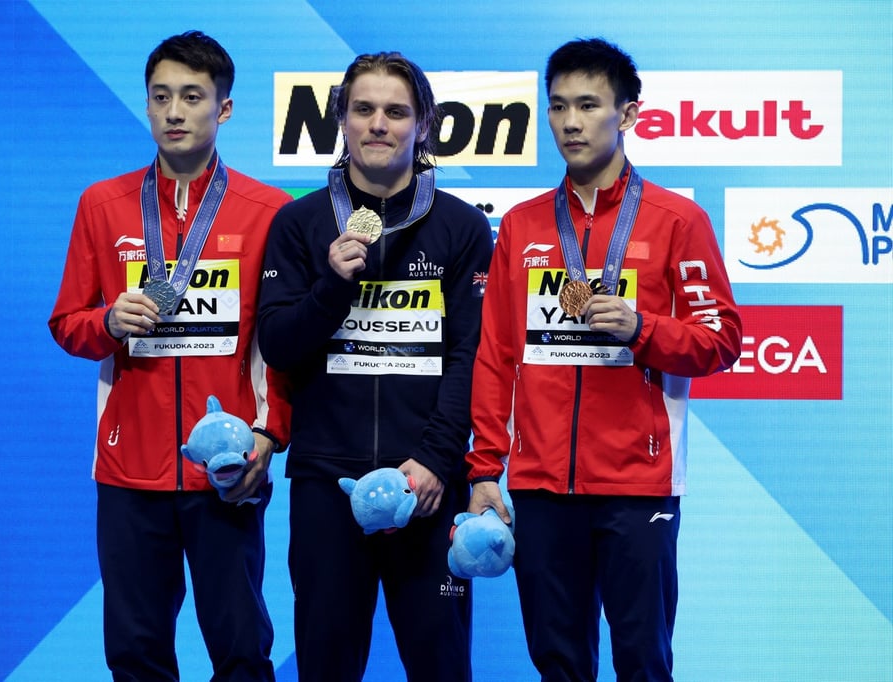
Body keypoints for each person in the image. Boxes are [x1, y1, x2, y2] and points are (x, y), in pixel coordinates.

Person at [466, 38, 742, 682]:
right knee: (558, 663)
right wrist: (484, 469)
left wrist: (644, 328)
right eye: (558, 106)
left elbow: (722, 338)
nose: (570, 122)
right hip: (540, 487)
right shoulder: (522, 225)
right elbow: (496, 356)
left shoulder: (677, 221)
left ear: (628, 115)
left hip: (638, 486)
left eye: (589, 105)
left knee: (643, 662)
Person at [48, 31, 290, 682]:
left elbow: (282, 346)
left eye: (191, 96)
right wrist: (107, 321)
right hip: (128, 469)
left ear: (224, 109)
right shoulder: (102, 204)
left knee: (242, 651)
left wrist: (269, 437)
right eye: (160, 97)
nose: (174, 112)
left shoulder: (270, 211)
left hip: (227, 467)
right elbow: (67, 325)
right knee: (135, 654)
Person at [256, 52, 492, 681]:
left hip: (429, 484)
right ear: (341, 119)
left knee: (442, 666)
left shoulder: (464, 226)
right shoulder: (299, 223)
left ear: (424, 124)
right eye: (363, 109)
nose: (378, 124)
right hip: (326, 485)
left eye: (396, 111)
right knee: (326, 667)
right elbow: (278, 346)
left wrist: (438, 459)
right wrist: (332, 285)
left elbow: (470, 356)